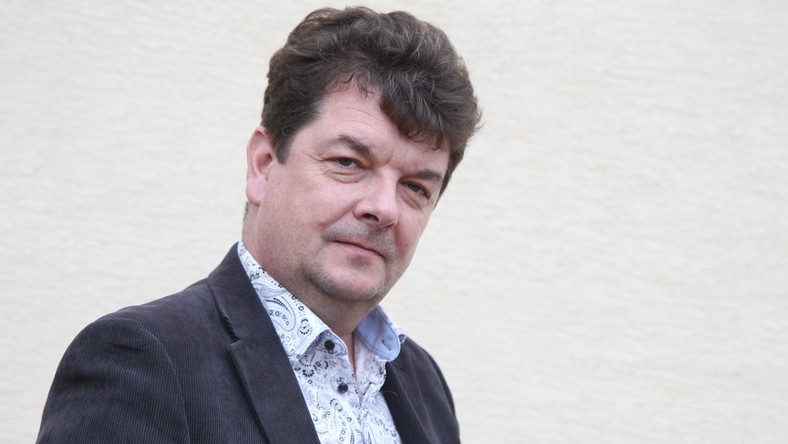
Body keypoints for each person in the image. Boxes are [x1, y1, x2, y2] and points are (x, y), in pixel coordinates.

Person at [37, 6, 480, 444]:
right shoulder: (141, 359)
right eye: (348, 162)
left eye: (415, 187)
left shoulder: (425, 384)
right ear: (264, 165)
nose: (384, 208)